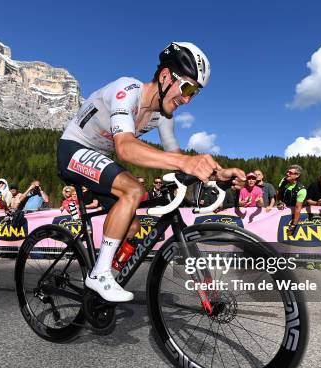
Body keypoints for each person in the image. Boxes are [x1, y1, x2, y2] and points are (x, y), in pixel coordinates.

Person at [56, 41, 245, 302]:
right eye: (188, 88)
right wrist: (184, 163)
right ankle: (99, 275)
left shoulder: (163, 116)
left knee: (131, 227)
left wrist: (217, 173)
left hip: (98, 157)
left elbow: (177, 158)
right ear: (166, 76)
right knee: (133, 188)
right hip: (73, 149)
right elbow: (125, 148)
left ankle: (99, 283)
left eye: (195, 93)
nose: (188, 99)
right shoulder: (127, 90)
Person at [276, 165, 307, 234]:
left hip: (293, 214)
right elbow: (278, 192)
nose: (287, 174)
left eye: (290, 173)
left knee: (289, 235)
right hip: (282, 211)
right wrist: (279, 202)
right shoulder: (284, 180)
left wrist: (293, 225)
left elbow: (298, 208)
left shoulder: (301, 190)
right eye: (287, 172)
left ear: (297, 175)